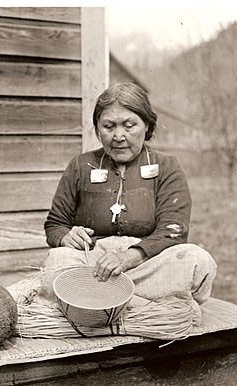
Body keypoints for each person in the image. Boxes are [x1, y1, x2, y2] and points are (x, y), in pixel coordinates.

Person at [44, 82, 216, 306]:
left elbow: (173, 231)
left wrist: (127, 258)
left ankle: (91, 301)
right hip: (93, 264)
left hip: (146, 263)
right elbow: (55, 224)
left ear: (146, 125)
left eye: (129, 125)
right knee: (58, 259)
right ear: (97, 129)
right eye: (108, 126)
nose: (118, 136)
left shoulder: (166, 166)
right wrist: (66, 236)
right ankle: (141, 303)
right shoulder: (81, 165)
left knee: (197, 261)